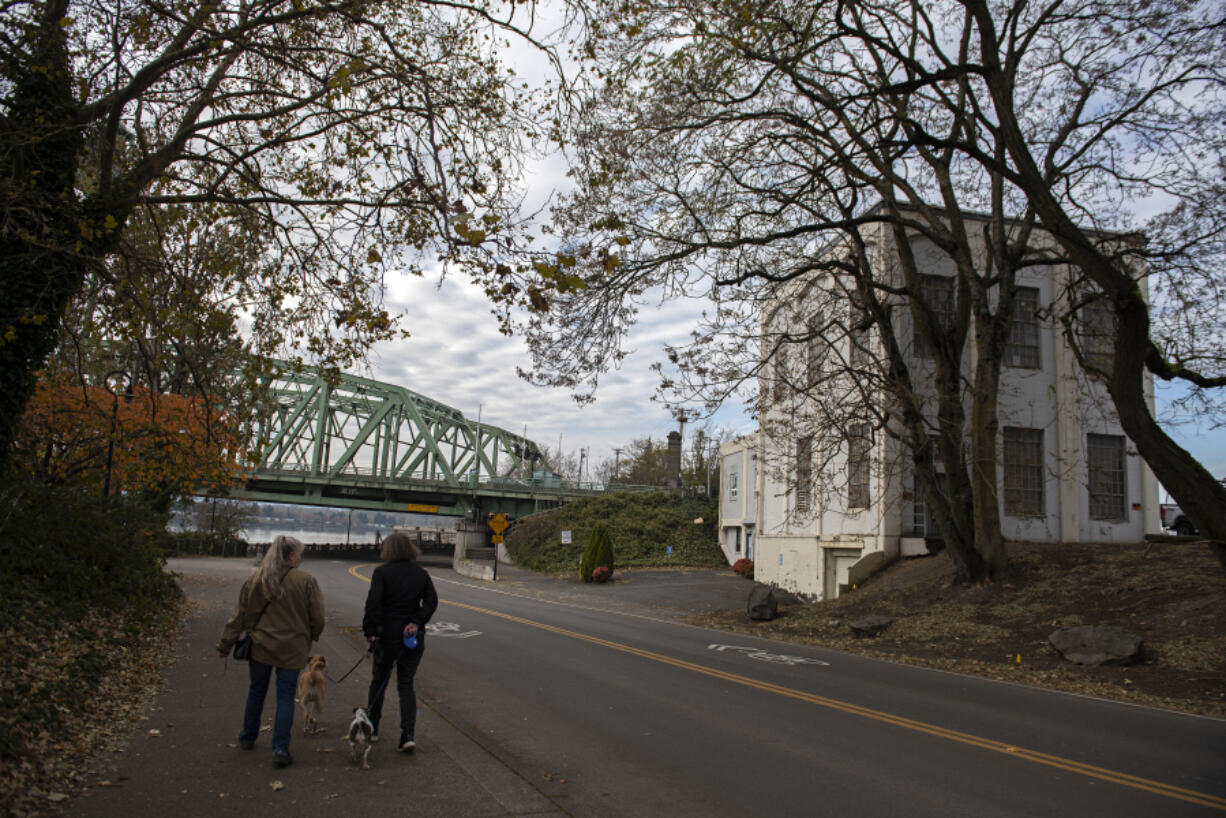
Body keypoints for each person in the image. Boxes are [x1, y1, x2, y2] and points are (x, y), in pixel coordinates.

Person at [216, 535, 325, 768]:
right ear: (290, 555)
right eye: (299, 554)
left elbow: (240, 616)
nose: (301, 558)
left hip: (260, 645)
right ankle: (280, 748)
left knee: (257, 691)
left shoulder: (257, 579)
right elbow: (317, 617)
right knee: (285, 697)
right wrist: (311, 634)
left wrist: (225, 644)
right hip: (293, 647)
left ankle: (248, 736)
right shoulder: (306, 581)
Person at [362, 531, 438, 753]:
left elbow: (373, 604)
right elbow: (431, 601)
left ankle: (373, 727)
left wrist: (371, 632)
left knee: (379, 680)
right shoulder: (420, 574)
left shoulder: (381, 573)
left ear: (388, 550)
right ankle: (407, 734)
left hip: (386, 635)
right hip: (410, 637)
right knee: (406, 684)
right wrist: (417, 621)